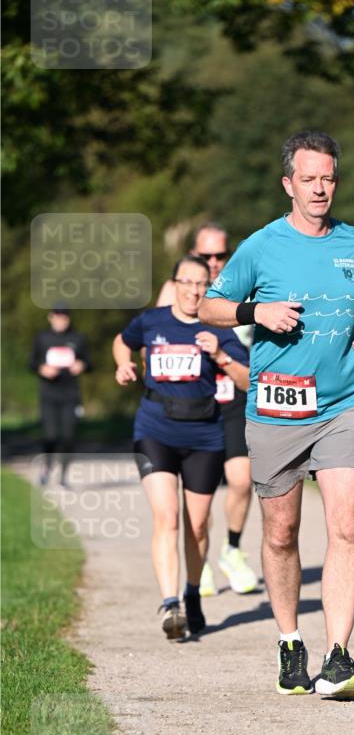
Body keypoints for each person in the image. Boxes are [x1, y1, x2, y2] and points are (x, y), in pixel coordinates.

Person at [199, 130, 354, 699]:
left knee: (345, 526)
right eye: (309, 179)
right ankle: (289, 641)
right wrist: (257, 311)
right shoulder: (261, 246)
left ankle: (338, 657)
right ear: (289, 184)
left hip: (345, 403)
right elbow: (208, 306)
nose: (320, 188)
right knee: (281, 533)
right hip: (277, 408)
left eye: (328, 178)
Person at [113, 254, 250, 640]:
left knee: (197, 525)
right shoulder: (152, 321)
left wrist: (220, 356)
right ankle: (170, 604)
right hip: (154, 429)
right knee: (167, 517)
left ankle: (191, 592)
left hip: (205, 435)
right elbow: (122, 342)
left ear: (210, 287)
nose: (194, 291)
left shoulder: (218, 327)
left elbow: (246, 381)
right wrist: (123, 364)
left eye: (202, 284)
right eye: (186, 282)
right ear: (174, 285)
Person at [157, 223, 258, 596]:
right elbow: (156, 338)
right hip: (192, 401)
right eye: (206, 255)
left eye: (220, 255)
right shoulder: (174, 289)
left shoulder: (245, 284)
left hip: (235, 396)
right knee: (200, 491)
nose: (214, 262)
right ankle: (199, 559)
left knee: (242, 480)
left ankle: (232, 549)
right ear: (192, 255)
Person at [29, 307, 92, 487]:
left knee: (68, 437)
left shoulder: (77, 338)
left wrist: (82, 365)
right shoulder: (42, 338)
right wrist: (42, 368)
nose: (61, 320)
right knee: (50, 435)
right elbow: (31, 362)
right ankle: (47, 467)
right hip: (48, 394)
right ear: (51, 317)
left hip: (70, 395)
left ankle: (63, 477)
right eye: (58, 316)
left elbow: (89, 363)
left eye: (64, 316)